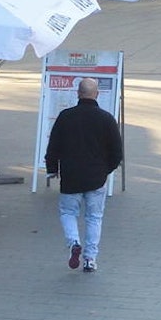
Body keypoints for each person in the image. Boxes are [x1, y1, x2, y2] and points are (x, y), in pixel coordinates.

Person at [45, 77, 125, 272]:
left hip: (71, 176)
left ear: (78, 94)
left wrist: (52, 168)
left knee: (68, 212)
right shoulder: (106, 119)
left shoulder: (65, 117)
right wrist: (105, 170)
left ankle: (73, 242)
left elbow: (53, 145)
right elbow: (117, 152)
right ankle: (90, 258)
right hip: (96, 178)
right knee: (94, 217)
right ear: (97, 94)